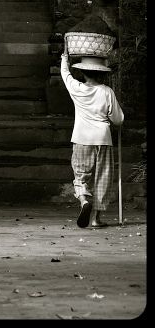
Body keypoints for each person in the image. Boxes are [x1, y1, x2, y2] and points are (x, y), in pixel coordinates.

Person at [60, 40, 124, 228]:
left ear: (82, 72)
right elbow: (118, 119)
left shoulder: (76, 88)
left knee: (81, 175)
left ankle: (84, 201)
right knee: (103, 177)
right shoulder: (106, 91)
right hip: (103, 138)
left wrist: (65, 56)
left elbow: (65, 73)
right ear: (101, 73)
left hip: (81, 137)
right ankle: (95, 219)